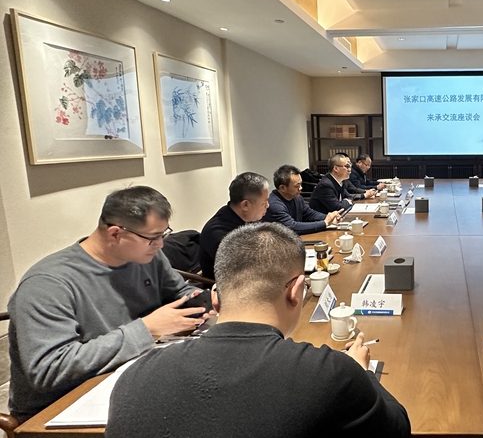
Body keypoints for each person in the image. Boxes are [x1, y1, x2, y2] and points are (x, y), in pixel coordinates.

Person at [106, 223, 412, 438]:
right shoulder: (330, 372)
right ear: (296, 291)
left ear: (215, 298)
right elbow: (397, 429)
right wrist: (363, 373)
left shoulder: (135, 377)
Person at [6, 186, 211, 422]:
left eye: (163, 235)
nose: (160, 245)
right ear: (115, 234)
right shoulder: (48, 284)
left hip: (130, 375)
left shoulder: (146, 257)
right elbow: (49, 370)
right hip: (57, 410)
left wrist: (200, 299)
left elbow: (179, 292)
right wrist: (147, 329)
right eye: (153, 238)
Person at [199, 172, 270, 280]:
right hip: (228, 286)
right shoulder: (217, 232)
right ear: (245, 205)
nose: (268, 205)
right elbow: (244, 270)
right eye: (264, 202)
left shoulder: (245, 217)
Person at [263, 164, 343, 235]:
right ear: (282, 188)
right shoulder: (274, 205)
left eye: (301, 184)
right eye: (296, 186)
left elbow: (309, 214)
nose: (300, 188)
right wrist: (324, 223)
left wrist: (330, 217)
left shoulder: (297, 197)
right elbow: (292, 227)